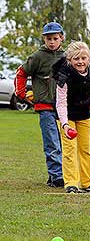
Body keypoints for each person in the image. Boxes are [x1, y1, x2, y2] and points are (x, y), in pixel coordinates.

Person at [14, 22, 65, 188]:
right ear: (44, 39)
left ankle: (65, 173)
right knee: (52, 142)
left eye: (55, 38)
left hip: (63, 107)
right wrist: (21, 93)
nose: (52, 42)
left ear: (61, 38)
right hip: (45, 106)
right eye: (48, 38)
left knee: (65, 142)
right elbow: (21, 73)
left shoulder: (67, 57)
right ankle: (56, 176)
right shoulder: (38, 57)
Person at [53, 41, 90, 194]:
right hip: (67, 116)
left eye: (83, 58)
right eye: (76, 59)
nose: (80, 62)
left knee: (85, 149)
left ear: (89, 58)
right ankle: (71, 183)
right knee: (69, 150)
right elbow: (60, 103)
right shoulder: (64, 76)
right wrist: (65, 125)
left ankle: (88, 182)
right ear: (69, 60)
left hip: (84, 115)